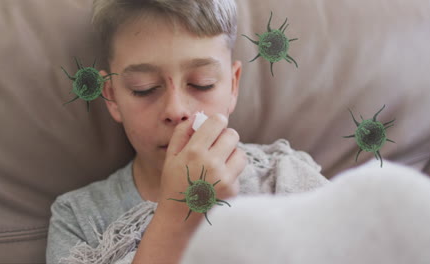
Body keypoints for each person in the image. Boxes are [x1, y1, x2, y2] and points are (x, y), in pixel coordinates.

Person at [46, 1, 328, 263]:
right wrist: (177, 218)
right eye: (144, 89)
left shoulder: (283, 176)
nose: (176, 109)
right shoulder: (79, 218)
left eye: (201, 84)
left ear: (232, 86)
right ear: (112, 98)